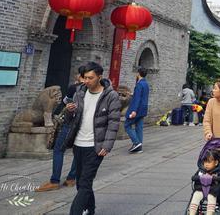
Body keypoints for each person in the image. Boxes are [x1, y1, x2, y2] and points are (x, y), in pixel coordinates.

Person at [64, 62, 121, 215]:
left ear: (99, 77)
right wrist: (69, 111)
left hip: (95, 146)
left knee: (84, 182)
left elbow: (113, 122)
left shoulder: (111, 96)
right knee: (82, 183)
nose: (86, 81)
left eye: (90, 78)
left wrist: (107, 145)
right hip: (78, 143)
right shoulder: (79, 93)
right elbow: (71, 120)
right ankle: (90, 209)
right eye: (85, 78)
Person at [36, 66, 86, 192]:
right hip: (84, 125)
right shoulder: (92, 89)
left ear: (80, 75)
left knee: (58, 149)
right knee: (77, 151)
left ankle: (54, 181)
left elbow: (65, 103)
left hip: (70, 124)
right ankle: (71, 178)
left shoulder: (74, 88)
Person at [188, 149, 220, 215]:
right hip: (201, 189)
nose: (206, 164)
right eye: (205, 162)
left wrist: (216, 178)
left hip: (213, 190)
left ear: (216, 162)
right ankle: (192, 213)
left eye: (209, 162)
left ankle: (209, 213)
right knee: (195, 197)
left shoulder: (219, 171)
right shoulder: (201, 170)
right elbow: (195, 177)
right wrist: (198, 177)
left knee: (212, 199)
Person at [125, 67, 149, 153]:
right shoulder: (146, 83)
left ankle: (136, 142)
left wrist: (134, 111)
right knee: (139, 127)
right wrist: (132, 94)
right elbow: (141, 96)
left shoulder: (139, 84)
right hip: (143, 108)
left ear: (138, 73)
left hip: (137, 109)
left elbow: (138, 99)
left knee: (127, 125)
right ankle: (139, 147)